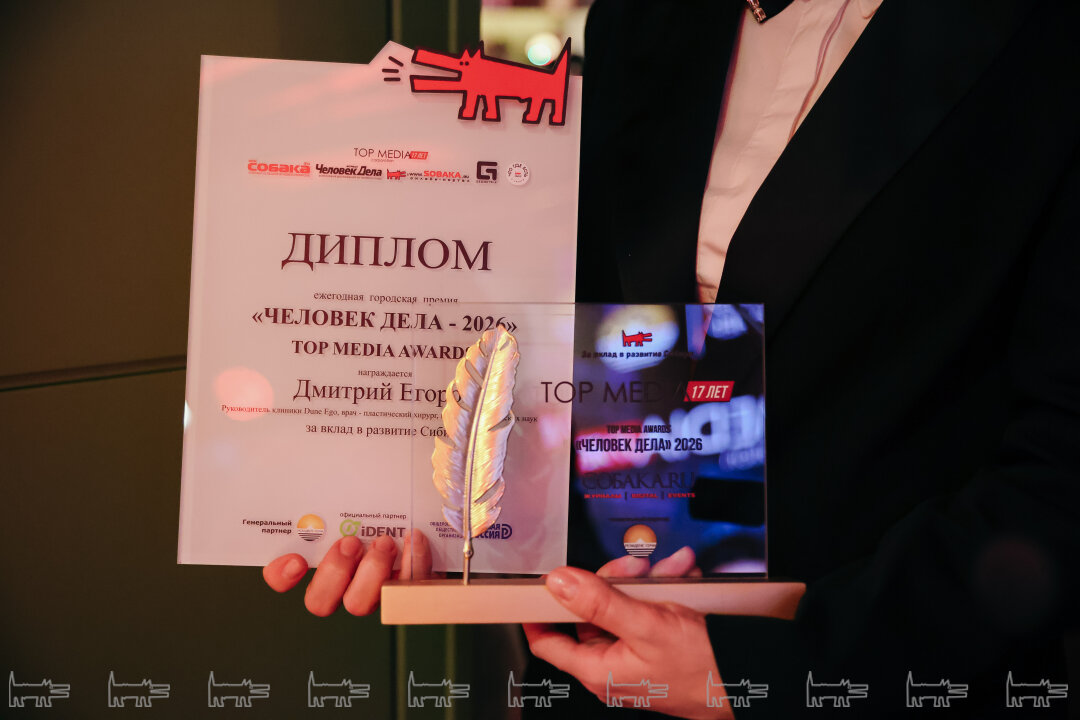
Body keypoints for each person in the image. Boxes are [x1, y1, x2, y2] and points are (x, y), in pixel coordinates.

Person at [267, 0, 1080, 716]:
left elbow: (1061, 468)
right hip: (599, 674)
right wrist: (415, 516)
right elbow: (577, 358)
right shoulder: (637, 19)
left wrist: (768, 675)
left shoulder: (1047, 39)